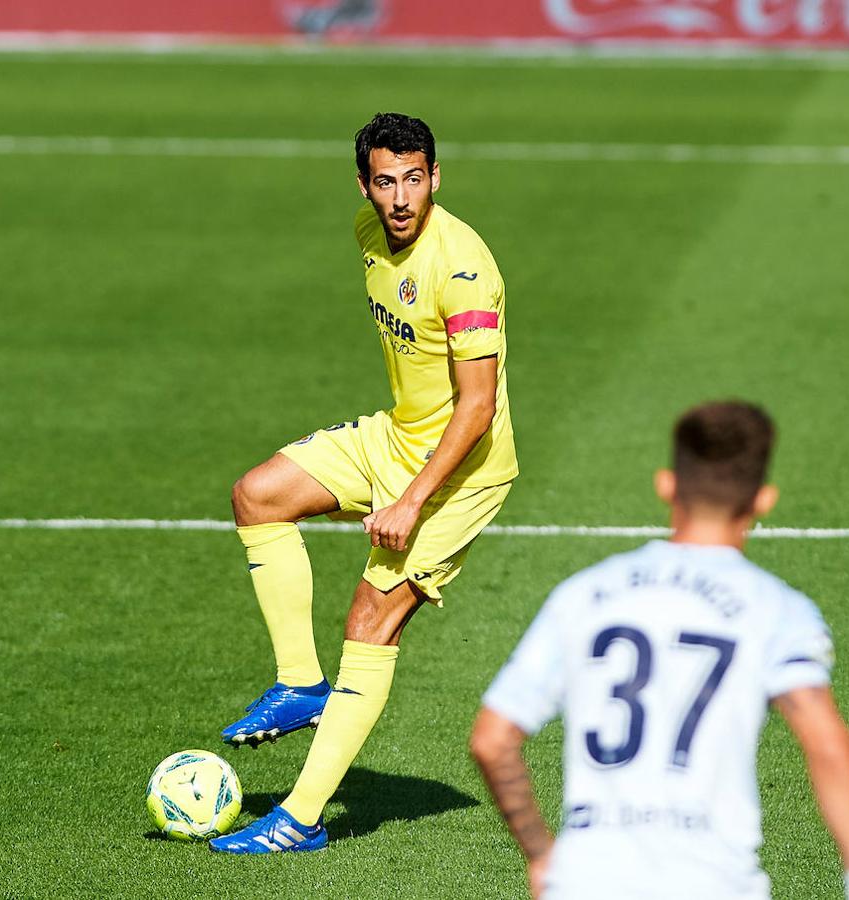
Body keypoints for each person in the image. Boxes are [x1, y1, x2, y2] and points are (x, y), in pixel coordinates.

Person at [209, 112, 518, 854]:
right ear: (365, 186)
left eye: (416, 179)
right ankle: (299, 685)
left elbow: (476, 408)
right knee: (258, 495)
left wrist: (410, 501)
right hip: (395, 435)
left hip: (459, 472)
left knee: (370, 624)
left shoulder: (465, 268)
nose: (402, 197)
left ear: (436, 177)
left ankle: (299, 819)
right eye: (387, 181)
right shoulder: (367, 232)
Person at [470, 402, 849, 899]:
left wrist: (541, 855)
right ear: (763, 500)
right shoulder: (776, 609)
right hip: (713, 883)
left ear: (667, 485)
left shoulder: (583, 595)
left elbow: (492, 739)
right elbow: (825, 743)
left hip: (585, 883)